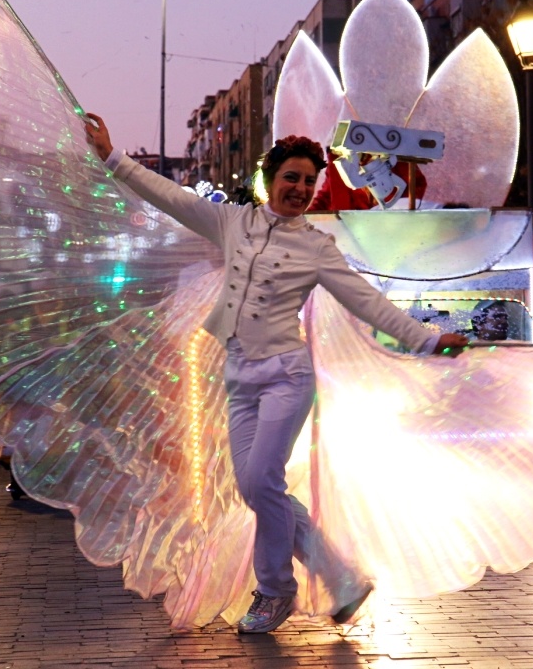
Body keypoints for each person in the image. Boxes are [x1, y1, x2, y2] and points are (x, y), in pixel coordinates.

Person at [85, 113, 468, 634]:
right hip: (240, 378)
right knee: (255, 487)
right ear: (271, 179)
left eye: (310, 181)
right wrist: (113, 158)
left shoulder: (316, 247)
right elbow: (169, 197)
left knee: (261, 480)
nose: (301, 189)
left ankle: (274, 591)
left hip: (287, 377)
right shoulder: (232, 222)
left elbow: (366, 301)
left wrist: (426, 338)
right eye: (292, 177)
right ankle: (343, 579)